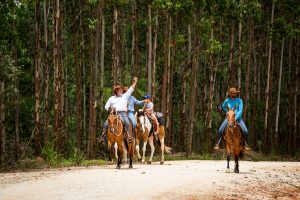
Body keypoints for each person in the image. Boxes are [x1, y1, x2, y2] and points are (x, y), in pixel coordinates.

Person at [102, 77, 138, 142]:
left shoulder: (125, 96)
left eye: (121, 89)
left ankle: (129, 136)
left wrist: (135, 82)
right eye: (119, 90)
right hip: (113, 114)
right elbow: (106, 106)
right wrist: (110, 108)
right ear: (116, 91)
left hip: (122, 113)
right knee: (105, 123)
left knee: (127, 122)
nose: (121, 90)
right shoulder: (111, 98)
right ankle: (103, 136)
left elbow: (131, 89)